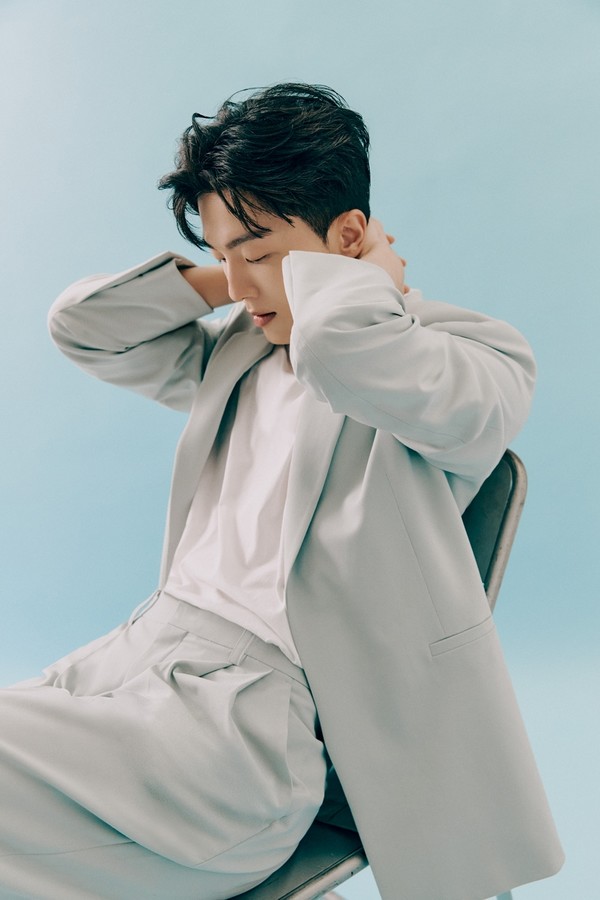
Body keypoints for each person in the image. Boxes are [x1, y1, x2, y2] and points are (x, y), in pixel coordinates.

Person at [0, 83, 563, 900]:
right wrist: (232, 275)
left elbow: (342, 349)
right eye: (223, 253)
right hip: (133, 670)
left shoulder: (470, 357)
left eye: (259, 253)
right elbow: (81, 326)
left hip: (242, 741)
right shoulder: (238, 350)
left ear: (350, 236)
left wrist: (361, 284)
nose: (241, 283)